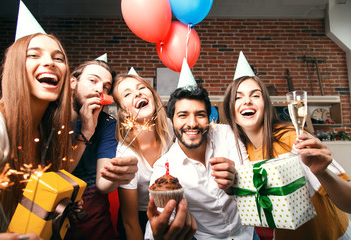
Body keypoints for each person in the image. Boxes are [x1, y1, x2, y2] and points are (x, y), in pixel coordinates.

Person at [223, 75, 351, 240]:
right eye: (237, 97)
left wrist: (323, 172)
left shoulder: (292, 139)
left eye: (255, 95)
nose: (247, 101)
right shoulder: (239, 152)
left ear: (266, 105)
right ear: (230, 109)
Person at [0, 33, 72, 239]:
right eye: (34, 55)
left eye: (58, 58)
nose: (49, 63)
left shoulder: (49, 132)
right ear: (15, 69)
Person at [149, 86, 256, 239]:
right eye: (183, 115)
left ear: (209, 118)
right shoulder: (164, 167)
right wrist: (161, 228)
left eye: (200, 115)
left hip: (247, 233)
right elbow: (162, 216)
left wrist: (235, 185)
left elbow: (252, 183)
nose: (192, 123)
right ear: (171, 121)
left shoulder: (226, 134)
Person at [64, 60, 138, 240]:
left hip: (98, 231)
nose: (100, 90)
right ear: (73, 83)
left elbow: (102, 184)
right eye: (93, 80)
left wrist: (117, 176)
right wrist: (87, 131)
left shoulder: (107, 124)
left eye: (106, 87)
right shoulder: (52, 120)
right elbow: (57, 172)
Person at [97, 73, 174, 239]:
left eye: (141, 88)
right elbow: (129, 221)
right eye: (127, 94)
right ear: (123, 111)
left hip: (172, 211)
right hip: (139, 221)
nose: (137, 93)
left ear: (152, 96)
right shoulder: (126, 153)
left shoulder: (169, 128)